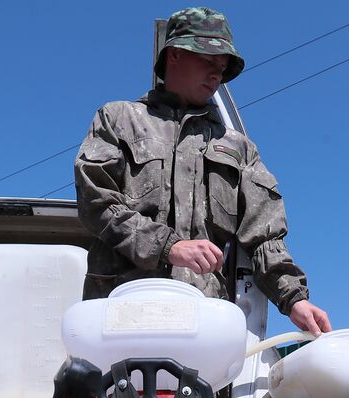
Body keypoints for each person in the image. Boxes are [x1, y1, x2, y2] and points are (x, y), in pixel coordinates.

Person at [75, 6, 332, 336]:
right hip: (119, 311)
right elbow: (97, 204)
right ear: (175, 54)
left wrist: (295, 299)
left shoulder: (239, 148)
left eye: (222, 68)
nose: (216, 74)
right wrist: (170, 247)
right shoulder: (119, 119)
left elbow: (265, 238)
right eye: (208, 60)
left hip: (202, 318)